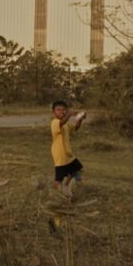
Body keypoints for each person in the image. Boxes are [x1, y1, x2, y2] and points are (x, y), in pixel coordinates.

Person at [48, 100, 85, 233]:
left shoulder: (65, 124)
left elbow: (75, 128)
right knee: (58, 178)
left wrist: (80, 119)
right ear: (54, 112)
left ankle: (66, 188)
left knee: (77, 170)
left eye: (64, 110)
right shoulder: (55, 122)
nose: (62, 112)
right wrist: (69, 114)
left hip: (69, 155)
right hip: (60, 157)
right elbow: (62, 122)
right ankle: (55, 195)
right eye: (59, 110)